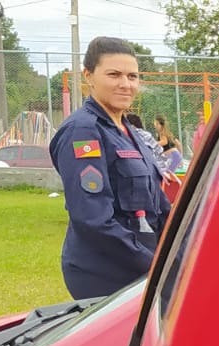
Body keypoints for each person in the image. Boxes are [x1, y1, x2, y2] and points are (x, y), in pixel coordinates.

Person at [49, 36, 169, 301]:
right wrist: (154, 266)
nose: (126, 84)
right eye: (114, 75)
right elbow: (93, 218)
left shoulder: (129, 131)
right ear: (88, 76)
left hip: (144, 264)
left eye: (133, 76)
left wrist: (181, 247)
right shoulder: (84, 131)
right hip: (107, 272)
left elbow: (158, 205)